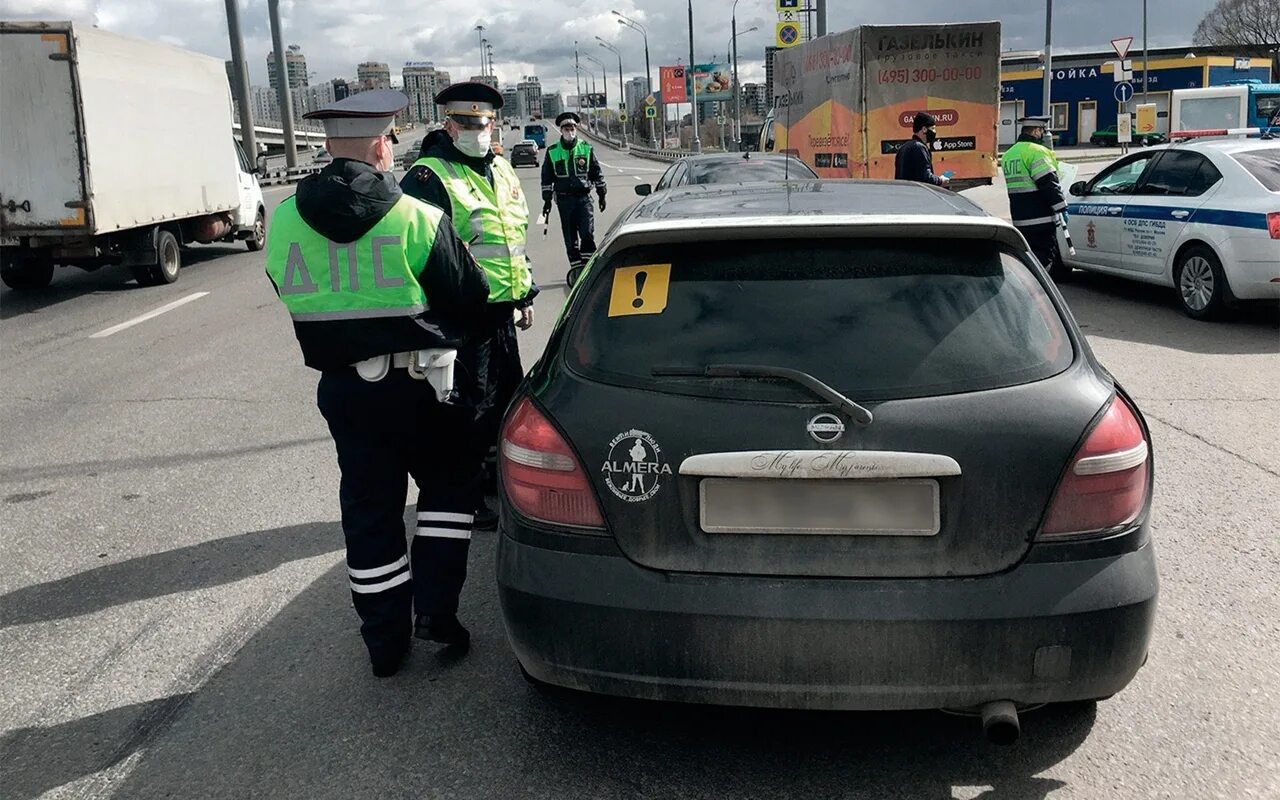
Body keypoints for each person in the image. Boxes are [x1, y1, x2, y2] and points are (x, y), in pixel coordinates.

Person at [264, 90, 493, 677]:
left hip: (345, 393)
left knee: (369, 511)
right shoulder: (415, 215)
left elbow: (285, 290)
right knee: (448, 490)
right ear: (378, 144)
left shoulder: (285, 217)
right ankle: (437, 612)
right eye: (390, 139)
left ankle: (383, 642)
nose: (392, 148)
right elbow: (468, 296)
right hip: (422, 388)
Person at [400, 82, 535, 530]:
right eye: (469, 123)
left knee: (507, 402)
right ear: (449, 125)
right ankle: (467, 495)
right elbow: (418, 252)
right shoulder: (429, 175)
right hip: (461, 316)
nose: (480, 130)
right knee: (467, 410)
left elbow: (512, 237)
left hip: (501, 314)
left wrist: (525, 293)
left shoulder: (501, 168)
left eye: (486, 123)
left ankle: (495, 481)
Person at [1000, 115, 1069, 276]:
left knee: (1027, 257)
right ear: (1037, 130)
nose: (1043, 134)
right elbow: (1048, 183)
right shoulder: (1037, 152)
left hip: (1020, 218)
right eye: (1042, 131)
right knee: (1043, 258)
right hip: (1041, 219)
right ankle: (1036, 292)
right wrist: (1061, 207)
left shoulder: (1009, 154)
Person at [540, 111, 606, 273]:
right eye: (566, 129)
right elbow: (547, 178)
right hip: (564, 200)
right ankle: (576, 269)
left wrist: (602, 194)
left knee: (587, 233)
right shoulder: (552, 151)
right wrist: (547, 201)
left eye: (572, 128)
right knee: (570, 238)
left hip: (584, 199)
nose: (570, 132)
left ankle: (588, 267)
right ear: (561, 130)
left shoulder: (586, 148)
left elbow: (596, 173)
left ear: (576, 129)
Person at [894, 112, 950, 186]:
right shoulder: (919, 148)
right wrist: (940, 181)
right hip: (917, 194)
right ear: (924, 129)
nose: (934, 132)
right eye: (932, 128)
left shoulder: (903, 148)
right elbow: (925, 177)